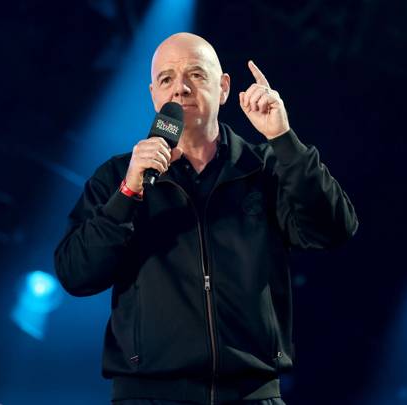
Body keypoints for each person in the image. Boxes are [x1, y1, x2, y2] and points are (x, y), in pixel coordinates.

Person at [54, 32, 358, 404]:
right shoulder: (119, 177)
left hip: (252, 394)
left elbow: (334, 229)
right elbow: (75, 274)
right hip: (149, 396)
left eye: (195, 75)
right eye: (167, 79)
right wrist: (128, 194)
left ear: (224, 87)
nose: (180, 89)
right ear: (154, 95)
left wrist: (283, 138)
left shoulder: (265, 169)